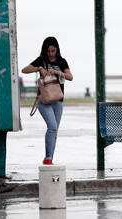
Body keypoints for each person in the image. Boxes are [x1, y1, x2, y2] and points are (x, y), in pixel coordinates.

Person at [21, 36, 73, 165]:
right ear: (45, 50)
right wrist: (39, 69)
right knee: (52, 126)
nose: (50, 54)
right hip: (43, 100)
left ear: (57, 50)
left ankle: (49, 158)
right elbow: (24, 69)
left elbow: (70, 77)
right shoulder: (41, 60)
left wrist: (58, 72)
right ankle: (48, 158)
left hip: (58, 99)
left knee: (54, 130)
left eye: (53, 51)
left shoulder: (62, 61)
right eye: (48, 51)